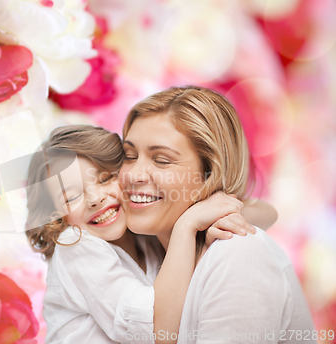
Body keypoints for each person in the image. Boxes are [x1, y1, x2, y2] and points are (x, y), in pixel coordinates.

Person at [25, 125, 275, 343]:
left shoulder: (142, 231)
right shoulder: (75, 245)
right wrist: (188, 223)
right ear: (56, 217)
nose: (95, 199)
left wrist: (204, 205)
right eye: (71, 197)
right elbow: (158, 333)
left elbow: (266, 214)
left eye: (105, 179)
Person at [120, 85, 315, 343]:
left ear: (209, 173)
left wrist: (187, 224)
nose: (133, 175)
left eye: (162, 160)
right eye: (129, 156)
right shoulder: (143, 250)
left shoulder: (237, 254)